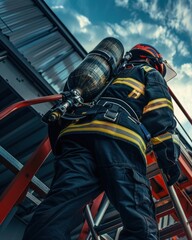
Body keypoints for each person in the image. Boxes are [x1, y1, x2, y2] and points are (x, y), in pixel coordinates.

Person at [23, 43, 181, 240]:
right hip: (119, 138)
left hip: (78, 135)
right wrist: (169, 159)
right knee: (140, 220)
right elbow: (161, 113)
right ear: (153, 61)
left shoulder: (107, 76)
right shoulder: (149, 72)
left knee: (59, 206)